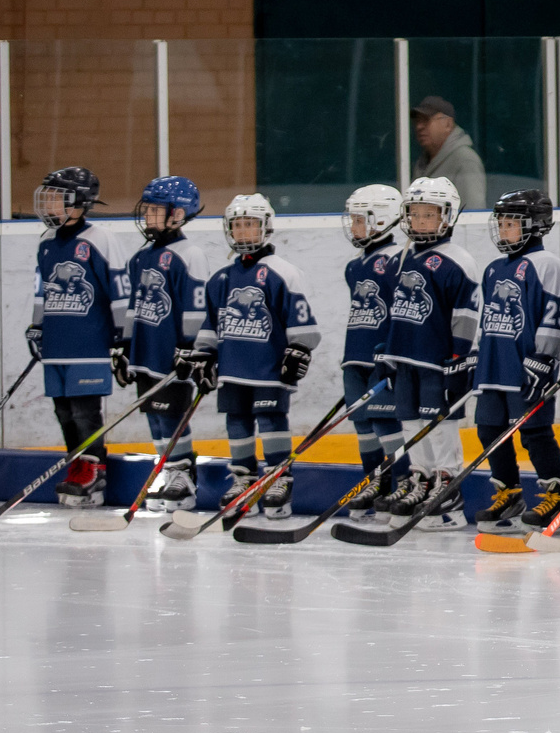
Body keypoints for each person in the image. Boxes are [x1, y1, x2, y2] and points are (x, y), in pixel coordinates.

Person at [184, 196, 319, 519]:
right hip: (233, 368)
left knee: (272, 420)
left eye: (251, 224)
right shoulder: (220, 278)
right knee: (237, 421)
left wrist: (298, 349)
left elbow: (304, 323)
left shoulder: (283, 273)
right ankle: (243, 478)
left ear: (266, 227)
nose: (244, 231)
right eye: (238, 225)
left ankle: (277, 477)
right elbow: (211, 324)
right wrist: (204, 355)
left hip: (269, 368)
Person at [24, 167, 132, 508]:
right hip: (57, 344)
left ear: (79, 202)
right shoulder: (45, 242)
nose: (50, 204)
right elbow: (41, 291)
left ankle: (94, 468)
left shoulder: (101, 240)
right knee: (64, 413)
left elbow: (120, 292)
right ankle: (77, 465)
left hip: (90, 344)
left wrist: (122, 339)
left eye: (58, 197)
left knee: (86, 413)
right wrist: (37, 325)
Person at [377, 177, 482, 521]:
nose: (421, 221)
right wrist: (388, 352)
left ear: (447, 216)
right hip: (406, 357)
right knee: (409, 420)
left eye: (429, 214)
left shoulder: (458, 261)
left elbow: (465, 314)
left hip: (439, 362)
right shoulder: (401, 258)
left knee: (439, 422)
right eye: (415, 214)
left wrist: (460, 357)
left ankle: (447, 483)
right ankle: (421, 476)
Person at [473, 190, 560, 534]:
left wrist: (544, 359)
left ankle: (557, 497)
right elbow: (489, 319)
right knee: (489, 430)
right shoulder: (492, 269)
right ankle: (509, 493)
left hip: (527, 368)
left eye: (512, 223)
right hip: (493, 366)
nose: (504, 230)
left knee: (534, 433)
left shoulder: (546, 264)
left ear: (536, 225)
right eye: (501, 223)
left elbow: (554, 314)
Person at [122, 175, 210, 515]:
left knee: (172, 415)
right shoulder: (141, 257)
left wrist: (190, 348)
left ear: (178, 214)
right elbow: (133, 306)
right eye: (148, 209)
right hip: (146, 351)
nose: (148, 216)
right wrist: (124, 346)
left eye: (156, 210)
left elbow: (196, 306)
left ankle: (183, 475)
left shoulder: (190, 254)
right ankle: (165, 468)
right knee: (154, 417)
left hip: (172, 354)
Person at [335, 184, 407, 518]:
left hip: (382, 357)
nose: (353, 227)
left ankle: (400, 481)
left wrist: (393, 353)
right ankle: (374, 480)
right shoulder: (354, 266)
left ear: (383, 220)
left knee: (385, 421)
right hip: (355, 355)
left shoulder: (398, 260)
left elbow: (402, 313)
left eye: (360, 220)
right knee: (362, 423)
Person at [410, 96, 488, 217]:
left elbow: (473, 216)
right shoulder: (422, 163)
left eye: (426, 120)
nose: (419, 127)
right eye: (417, 121)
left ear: (447, 124)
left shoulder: (465, 159)